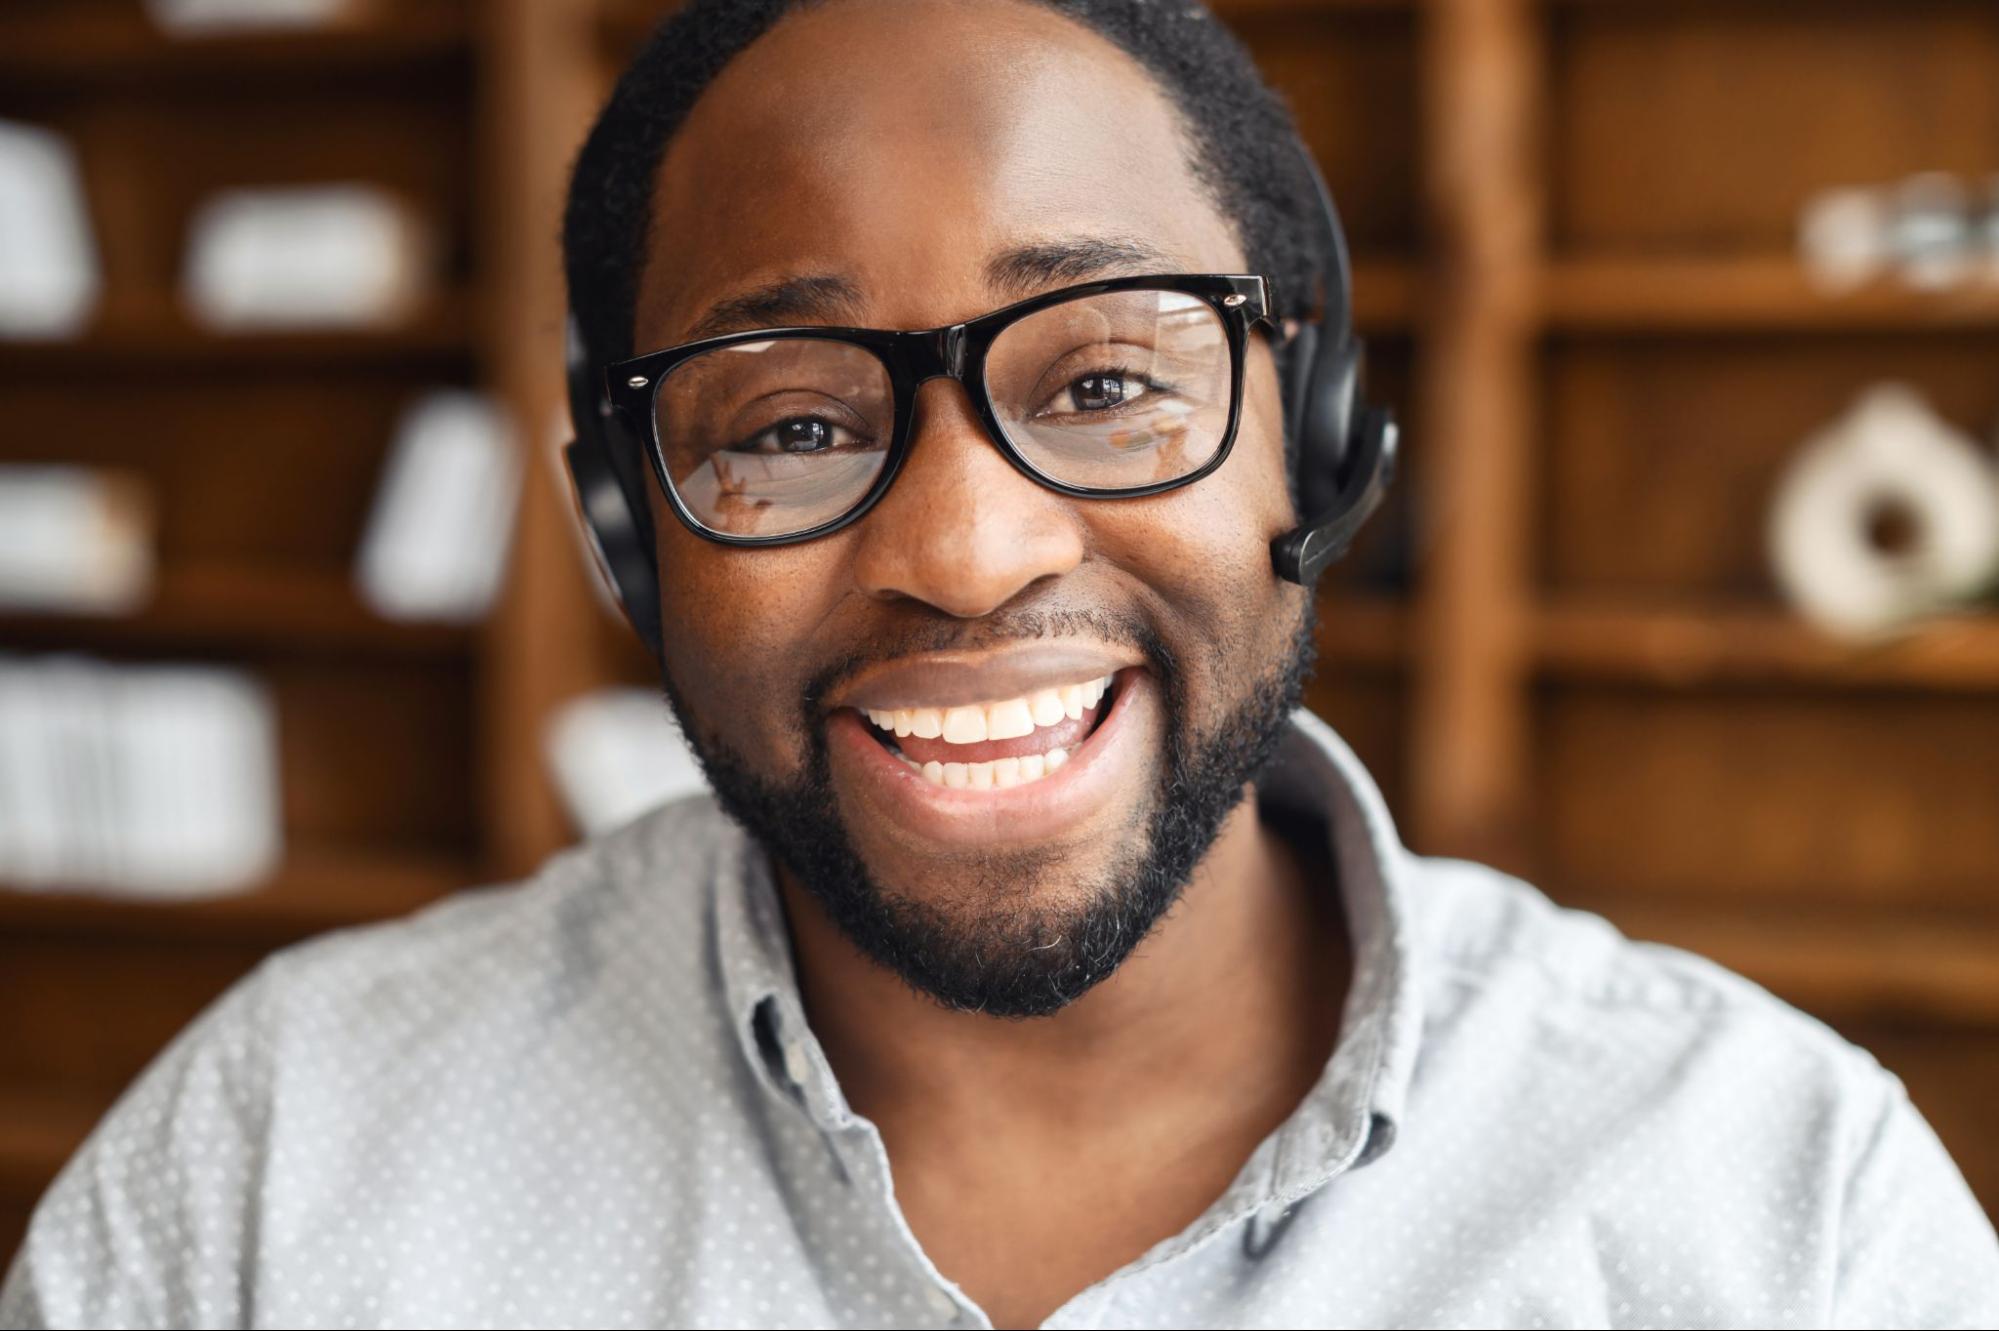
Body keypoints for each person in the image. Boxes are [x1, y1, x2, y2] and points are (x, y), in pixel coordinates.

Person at [6, 1, 1997, 1327]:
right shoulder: (270, 1177)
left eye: (1111, 378)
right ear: (628, 532)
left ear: (1310, 444)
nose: (963, 553)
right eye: (788, 425)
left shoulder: (1775, 1212)